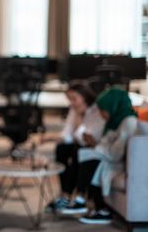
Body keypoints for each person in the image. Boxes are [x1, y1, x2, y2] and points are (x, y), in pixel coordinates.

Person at [60, 87, 137, 225]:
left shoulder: (129, 122)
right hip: (112, 159)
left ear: (113, 106)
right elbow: (107, 143)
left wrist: (96, 147)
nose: (101, 114)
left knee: (91, 157)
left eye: (103, 110)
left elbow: (116, 153)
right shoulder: (117, 120)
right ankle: (84, 201)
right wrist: (95, 145)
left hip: (120, 163)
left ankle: (86, 201)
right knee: (84, 152)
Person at [43, 82, 105, 213]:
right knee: (61, 148)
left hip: (92, 146)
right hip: (79, 144)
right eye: (69, 99)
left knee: (78, 151)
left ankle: (70, 195)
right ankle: (65, 194)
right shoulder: (74, 110)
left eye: (74, 98)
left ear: (84, 96)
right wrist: (51, 137)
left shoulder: (96, 110)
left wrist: (81, 118)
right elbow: (68, 135)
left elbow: (88, 137)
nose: (71, 103)